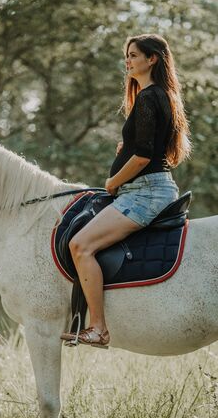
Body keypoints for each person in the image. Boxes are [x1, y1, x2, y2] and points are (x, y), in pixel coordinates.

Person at [61, 33, 191, 348]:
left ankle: (98, 328)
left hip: (145, 193)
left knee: (80, 246)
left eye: (134, 55)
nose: (128, 61)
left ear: (152, 59)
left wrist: (113, 181)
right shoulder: (159, 95)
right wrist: (126, 147)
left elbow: (145, 157)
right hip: (148, 188)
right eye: (126, 56)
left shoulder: (149, 96)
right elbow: (147, 147)